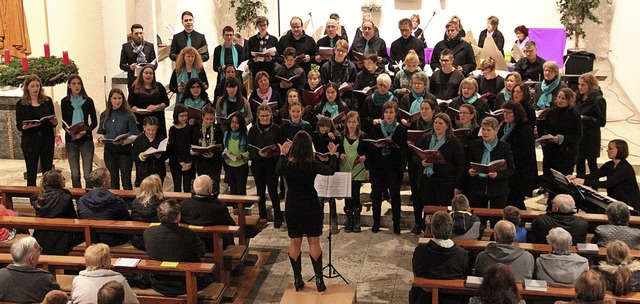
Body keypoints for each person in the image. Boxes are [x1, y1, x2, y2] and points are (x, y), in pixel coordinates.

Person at [277, 131, 336, 292]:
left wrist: (282, 154)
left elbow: (278, 170)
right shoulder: (312, 164)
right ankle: (319, 279)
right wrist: (333, 155)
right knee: (314, 241)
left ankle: (297, 279)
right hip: (310, 204)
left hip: (293, 205)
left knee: (295, 242)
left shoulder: (287, 164)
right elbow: (330, 171)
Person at [143, 199, 212, 296]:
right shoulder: (188, 233)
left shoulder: (148, 232)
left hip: (158, 281)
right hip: (185, 282)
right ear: (178, 216)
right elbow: (201, 252)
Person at [413, 113, 465, 233]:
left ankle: (441, 232)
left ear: (447, 126)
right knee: (428, 208)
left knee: (441, 209)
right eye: (435, 123)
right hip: (427, 179)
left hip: (444, 182)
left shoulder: (453, 141)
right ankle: (428, 231)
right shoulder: (426, 138)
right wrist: (422, 162)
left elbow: (460, 164)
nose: (437, 125)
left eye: (440, 123)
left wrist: (458, 185)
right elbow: (415, 156)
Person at [409, 211, 470, 304]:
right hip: (453, 300)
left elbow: (416, 272)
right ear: (451, 230)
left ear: (432, 230)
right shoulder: (463, 255)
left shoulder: (420, 251)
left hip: (424, 299)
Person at [368, 101, 407, 234]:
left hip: (394, 168)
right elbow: (371, 148)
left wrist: (393, 148)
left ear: (396, 114)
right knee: (377, 195)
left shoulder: (401, 129)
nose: (388, 115)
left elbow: (403, 150)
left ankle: (396, 224)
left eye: (391, 112)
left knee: (395, 196)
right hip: (378, 168)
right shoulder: (376, 128)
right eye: (386, 112)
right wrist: (379, 147)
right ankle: (376, 222)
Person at [570, 139, 640, 210]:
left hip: (628, 205)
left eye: (610, 148)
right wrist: (575, 176)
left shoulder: (624, 168)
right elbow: (594, 175)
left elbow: (607, 184)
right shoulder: (609, 165)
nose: (607, 151)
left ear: (620, 150)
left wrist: (583, 182)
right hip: (616, 202)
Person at [16, 74, 57, 186]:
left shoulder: (47, 101)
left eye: (37, 86)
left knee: (47, 172)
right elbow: (19, 125)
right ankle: (33, 199)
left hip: (46, 139)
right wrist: (26, 126)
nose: (35, 89)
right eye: (32, 86)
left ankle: (48, 198)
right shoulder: (21, 104)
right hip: (30, 140)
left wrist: (54, 121)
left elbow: (53, 119)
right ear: (27, 87)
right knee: (31, 172)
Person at [30, 169, 83, 255]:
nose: (65, 179)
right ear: (57, 182)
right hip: (61, 238)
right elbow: (72, 218)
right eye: (62, 178)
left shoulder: (37, 196)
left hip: (41, 237)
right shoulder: (65, 197)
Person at [467, 117, 515, 209]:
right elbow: (468, 164)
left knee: (496, 219)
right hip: (478, 189)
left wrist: (497, 175)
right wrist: (470, 171)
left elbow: (510, 169)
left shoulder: (504, 147)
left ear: (496, 131)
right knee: (480, 218)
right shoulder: (476, 145)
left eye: (489, 130)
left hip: (498, 189)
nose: (485, 133)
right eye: (483, 129)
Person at [97, 89, 140, 190]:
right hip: (110, 151)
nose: (117, 101)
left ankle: (128, 204)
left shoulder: (128, 115)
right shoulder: (105, 114)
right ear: (110, 100)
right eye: (115, 98)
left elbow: (136, 135)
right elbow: (101, 132)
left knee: (126, 180)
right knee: (113, 180)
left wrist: (124, 141)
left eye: (119, 98)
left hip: (125, 152)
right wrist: (101, 139)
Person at [180, 175, 236, 251]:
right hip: (214, 246)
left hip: (190, 245)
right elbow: (231, 225)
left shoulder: (183, 205)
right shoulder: (219, 206)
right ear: (209, 189)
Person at [77, 168, 131, 246]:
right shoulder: (116, 200)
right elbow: (126, 219)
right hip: (113, 239)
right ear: (105, 184)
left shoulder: (82, 200)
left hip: (90, 237)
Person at [498, 101, 536, 210]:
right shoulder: (504, 126)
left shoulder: (524, 130)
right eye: (504, 112)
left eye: (508, 112)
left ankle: (519, 223)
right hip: (506, 169)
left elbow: (525, 155)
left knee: (516, 201)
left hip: (519, 172)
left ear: (516, 113)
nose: (505, 115)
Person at [248, 105, 282, 226]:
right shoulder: (253, 129)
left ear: (271, 115)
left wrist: (272, 151)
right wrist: (258, 154)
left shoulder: (276, 129)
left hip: (272, 164)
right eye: (262, 116)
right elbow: (250, 147)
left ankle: (278, 217)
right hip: (258, 163)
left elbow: (280, 147)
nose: (265, 118)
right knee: (260, 191)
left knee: (273, 191)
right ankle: (262, 216)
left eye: (267, 115)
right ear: (258, 116)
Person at [61, 74, 97, 188]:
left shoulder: (88, 101)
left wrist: (85, 132)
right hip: (71, 140)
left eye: (79, 83)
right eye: (74, 84)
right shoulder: (65, 101)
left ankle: (89, 199)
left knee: (88, 174)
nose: (77, 86)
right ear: (69, 86)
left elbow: (94, 122)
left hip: (86, 139)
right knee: (75, 175)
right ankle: (78, 199)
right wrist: (67, 129)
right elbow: (64, 122)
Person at [71, 243, 138, 304]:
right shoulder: (119, 280)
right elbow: (133, 302)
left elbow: (73, 299)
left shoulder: (77, 279)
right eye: (109, 256)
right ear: (105, 262)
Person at [0, 237, 60, 303]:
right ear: (32, 258)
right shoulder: (45, 279)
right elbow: (59, 299)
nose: (40, 253)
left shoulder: (1, 275)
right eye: (39, 250)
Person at [540, 88, 582, 176]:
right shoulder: (551, 112)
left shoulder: (574, 115)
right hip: (551, 151)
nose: (560, 100)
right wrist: (546, 136)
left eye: (563, 98)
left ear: (569, 100)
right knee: (549, 176)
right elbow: (546, 128)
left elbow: (578, 136)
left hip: (566, 153)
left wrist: (561, 138)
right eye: (559, 97)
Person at [338, 111, 368, 233]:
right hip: (345, 168)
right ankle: (348, 219)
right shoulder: (341, 136)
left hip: (357, 170)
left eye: (354, 122)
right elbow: (338, 150)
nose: (351, 124)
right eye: (349, 122)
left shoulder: (363, 136)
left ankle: (357, 220)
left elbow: (368, 151)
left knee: (355, 194)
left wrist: (364, 157)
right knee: (347, 195)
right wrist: (341, 155)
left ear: (358, 122)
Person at [575, 73, 607, 175]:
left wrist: (584, 118)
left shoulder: (598, 100)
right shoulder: (578, 97)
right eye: (579, 84)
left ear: (590, 85)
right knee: (579, 164)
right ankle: (580, 189)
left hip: (590, 138)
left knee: (592, 165)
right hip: (579, 135)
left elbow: (601, 121)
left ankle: (594, 188)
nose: (580, 87)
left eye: (583, 85)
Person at [128, 65, 170, 137]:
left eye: (151, 73)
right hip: (141, 119)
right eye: (146, 73)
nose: (148, 75)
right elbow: (130, 105)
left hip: (157, 119)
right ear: (141, 74)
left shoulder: (159, 86)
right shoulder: (135, 88)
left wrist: (156, 107)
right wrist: (138, 110)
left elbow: (166, 102)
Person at [190, 105, 224, 194]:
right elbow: (194, 145)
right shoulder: (196, 130)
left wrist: (214, 153)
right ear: (202, 117)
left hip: (215, 162)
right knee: (202, 187)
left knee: (215, 186)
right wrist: (197, 152)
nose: (209, 121)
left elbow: (221, 147)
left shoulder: (218, 130)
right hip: (201, 162)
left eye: (212, 119)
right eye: (207, 119)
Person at [131, 116, 168, 187]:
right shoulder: (139, 140)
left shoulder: (162, 139)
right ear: (144, 127)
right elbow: (133, 156)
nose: (151, 132)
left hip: (158, 171)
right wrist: (141, 156)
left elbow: (168, 154)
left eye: (153, 130)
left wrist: (161, 156)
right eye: (148, 130)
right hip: (144, 172)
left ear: (157, 128)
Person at [130, 174, 164, 250]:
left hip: (139, 240)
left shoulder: (135, 202)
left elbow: (132, 218)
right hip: (157, 239)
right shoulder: (163, 204)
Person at [119, 23, 156, 88]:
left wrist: (149, 67)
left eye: (141, 33)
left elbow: (155, 64)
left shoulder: (149, 46)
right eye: (136, 34)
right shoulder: (126, 47)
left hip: (148, 79)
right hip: (133, 80)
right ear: (131, 34)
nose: (139, 35)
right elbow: (122, 65)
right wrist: (130, 67)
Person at [168, 105, 194, 192]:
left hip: (188, 160)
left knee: (187, 187)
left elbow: (190, 144)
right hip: (176, 161)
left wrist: (189, 162)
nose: (184, 118)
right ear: (176, 116)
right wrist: (181, 162)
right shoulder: (172, 130)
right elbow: (173, 147)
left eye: (185, 115)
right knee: (177, 186)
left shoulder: (189, 128)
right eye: (181, 116)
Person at [248, 16, 281, 83]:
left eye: (264, 25)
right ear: (257, 26)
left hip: (270, 69)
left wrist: (272, 59)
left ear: (267, 25)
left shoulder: (273, 39)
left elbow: (279, 56)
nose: (263, 27)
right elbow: (248, 57)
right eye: (260, 25)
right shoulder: (252, 40)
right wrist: (253, 60)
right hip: (257, 69)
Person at [223, 112, 249, 195]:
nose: (234, 125)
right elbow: (225, 148)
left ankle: (242, 207)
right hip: (229, 165)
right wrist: (224, 154)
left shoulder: (245, 135)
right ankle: (234, 207)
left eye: (237, 123)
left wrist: (242, 156)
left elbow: (250, 151)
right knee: (233, 189)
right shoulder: (227, 134)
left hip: (241, 166)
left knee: (241, 189)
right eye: (232, 122)